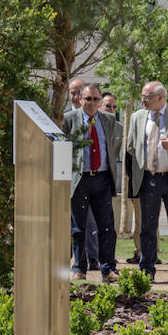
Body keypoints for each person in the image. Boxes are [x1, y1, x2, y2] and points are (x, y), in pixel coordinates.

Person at [126, 81, 168, 282]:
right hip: (148, 179)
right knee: (147, 227)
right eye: (142, 96)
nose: (143, 100)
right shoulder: (137, 117)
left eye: (146, 97)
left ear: (160, 98)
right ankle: (147, 270)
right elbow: (131, 145)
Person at [62, 83, 119, 282]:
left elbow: (113, 146)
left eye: (96, 99)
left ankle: (108, 268)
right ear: (80, 99)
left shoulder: (109, 120)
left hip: (102, 178)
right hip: (80, 178)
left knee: (106, 226)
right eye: (88, 99)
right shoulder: (70, 119)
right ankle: (79, 267)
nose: (92, 103)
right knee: (79, 227)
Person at [67, 76, 99, 271]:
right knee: (74, 224)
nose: (77, 96)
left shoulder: (98, 118)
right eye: (74, 93)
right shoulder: (66, 118)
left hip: (94, 176)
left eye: (81, 92)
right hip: (71, 178)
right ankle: (73, 260)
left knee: (92, 222)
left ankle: (93, 259)